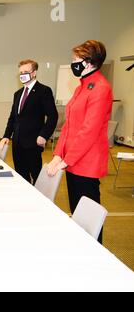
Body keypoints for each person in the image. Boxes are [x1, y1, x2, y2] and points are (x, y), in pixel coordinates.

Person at [47, 40, 112, 244]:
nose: (73, 63)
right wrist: (58, 155)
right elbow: (68, 126)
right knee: (77, 214)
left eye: (76, 60)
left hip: (87, 163)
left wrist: (67, 160)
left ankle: (96, 253)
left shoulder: (101, 88)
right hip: (73, 161)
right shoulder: (81, 88)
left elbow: (89, 131)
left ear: (90, 62)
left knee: (89, 218)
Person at [0, 59, 58, 184]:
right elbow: (13, 118)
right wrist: (6, 136)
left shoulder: (43, 91)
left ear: (34, 73)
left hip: (33, 143)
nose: (22, 75)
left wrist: (44, 136)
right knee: (21, 176)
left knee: (36, 176)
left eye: (26, 72)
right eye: (21, 72)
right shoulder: (18, 94)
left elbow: (53, 116)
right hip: (17, 142)